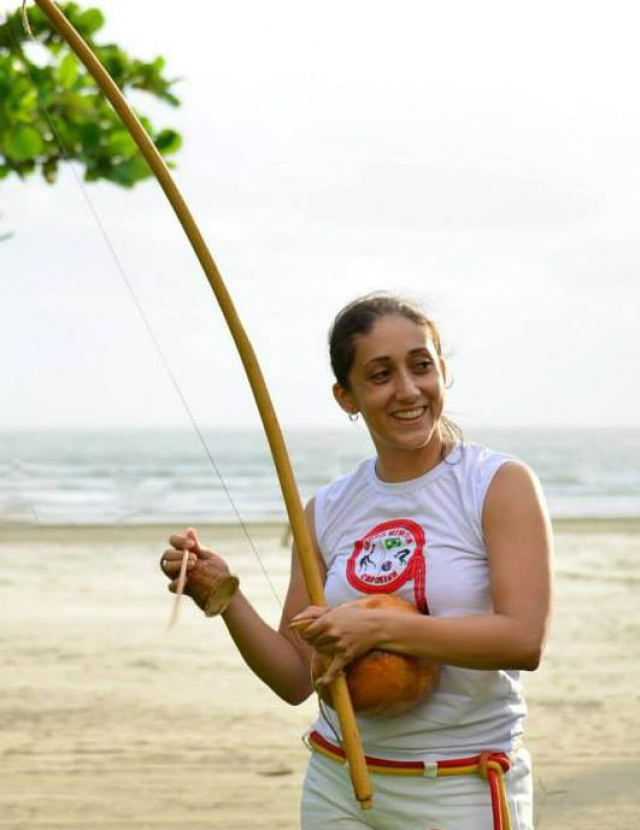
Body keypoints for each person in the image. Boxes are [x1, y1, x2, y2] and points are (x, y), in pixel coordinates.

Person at [160, 293, 553, 830]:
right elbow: (296, 677)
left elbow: (522, 641)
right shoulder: (327, 509)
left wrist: (375, 627)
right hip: (337, 784)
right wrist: (225, 596)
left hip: (458, 787)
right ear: (347, 396)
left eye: (421, 366)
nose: (408, 390)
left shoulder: (497, 484)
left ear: (443, 372)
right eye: (380, 374)